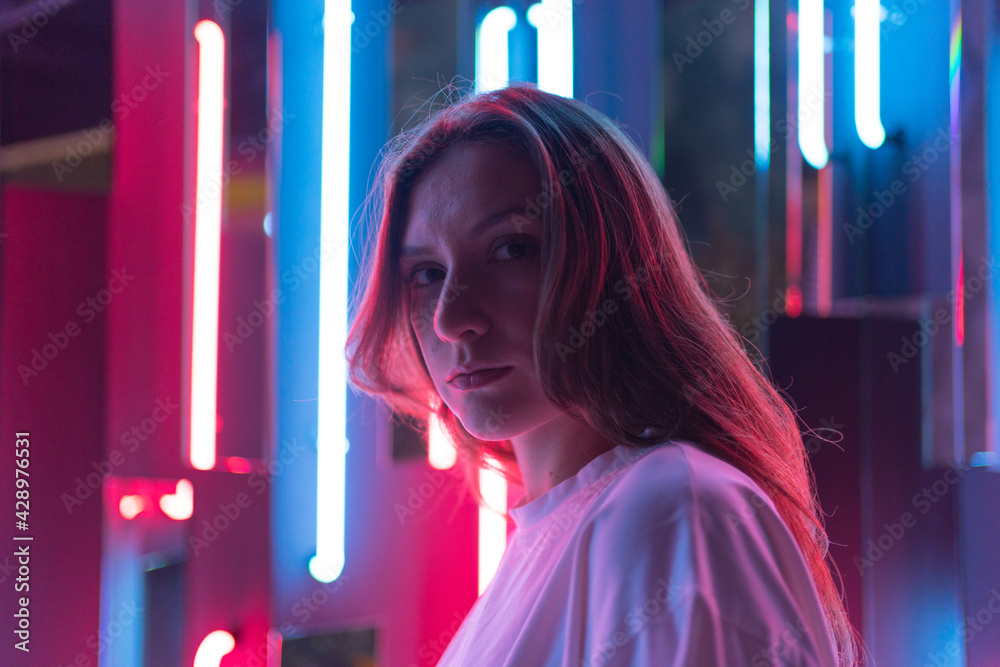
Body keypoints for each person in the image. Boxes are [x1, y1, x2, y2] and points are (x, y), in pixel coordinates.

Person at [345, 82, 862, 666]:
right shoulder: (565, 534)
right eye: (426, 273)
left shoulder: (670, 512)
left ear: (614, 263)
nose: (449, 318)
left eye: (511, 249)